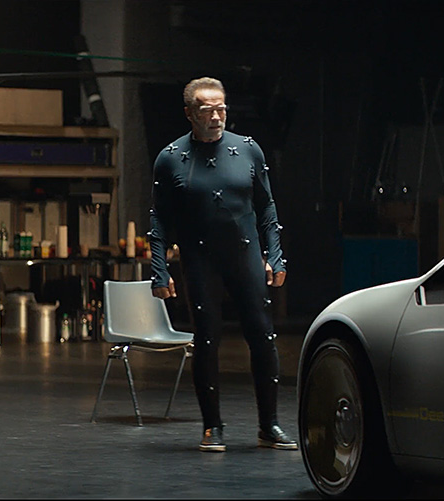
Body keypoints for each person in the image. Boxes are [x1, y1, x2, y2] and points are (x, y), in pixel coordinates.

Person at [148, 76, 295, 452]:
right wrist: (159, 269)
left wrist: (275, 255)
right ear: (189, 113)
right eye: (207, 110)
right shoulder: (170, 158)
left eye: (221, 108)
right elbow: (159, 218)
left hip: (244, 255)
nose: (216, 116)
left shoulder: (248, 150)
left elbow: (267, 207)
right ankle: (212, 426)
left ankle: (269, 425)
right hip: (200, 259)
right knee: (207, 339)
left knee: (262, 337)